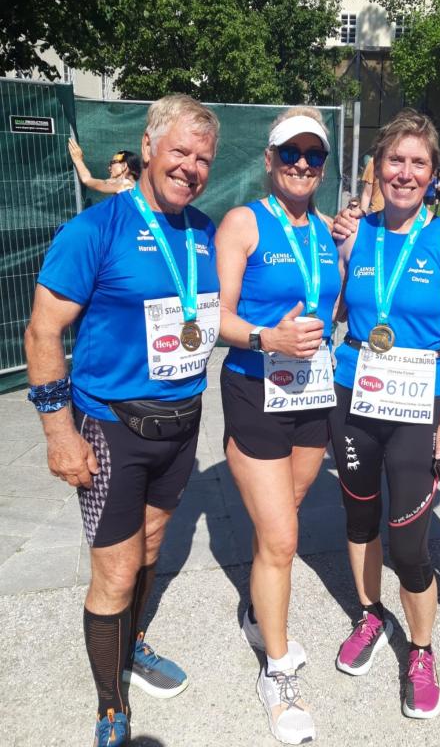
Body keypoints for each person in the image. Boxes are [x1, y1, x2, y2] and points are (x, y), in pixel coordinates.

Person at [25, 94, 221, 747]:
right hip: (112, 427)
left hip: (182, 424)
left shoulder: (204, 232)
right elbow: (42, 332)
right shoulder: (96, 229)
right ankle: (112, 707)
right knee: (114, 570)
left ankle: (130, 644)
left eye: (203, 158)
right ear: (148, 146)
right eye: (180, 151)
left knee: (151, 549)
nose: (190, 167)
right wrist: (58, 432)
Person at [329, 109, 440, 719]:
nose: (406, 173)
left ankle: (420, 649)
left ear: (433, 174)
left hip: (419, 403)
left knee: (409, 541)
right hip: (354, 394)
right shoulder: (353, 234)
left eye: (418, 163)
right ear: (378, 167)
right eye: (395, 160)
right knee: (359, 518)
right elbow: (334, 307)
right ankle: (370, 615)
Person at [216, 106, 341, 745]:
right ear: (269, 160)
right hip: (255, 389)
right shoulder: (244, 222)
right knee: (283, 538)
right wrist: (269, 337)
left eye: (313, 155)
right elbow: (214, 318)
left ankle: (256, 609)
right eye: (290, 153)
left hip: (312, 393)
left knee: (281, 523)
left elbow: (334, 306)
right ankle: (278, 670)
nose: (301, 164)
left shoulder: (325, 229)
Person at [68, 137, 141, 194]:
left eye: (112, 163)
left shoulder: (125, 185)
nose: (109, 168)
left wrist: (78, 160)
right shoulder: (133, 186)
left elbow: (87, 180)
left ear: (124, 166)